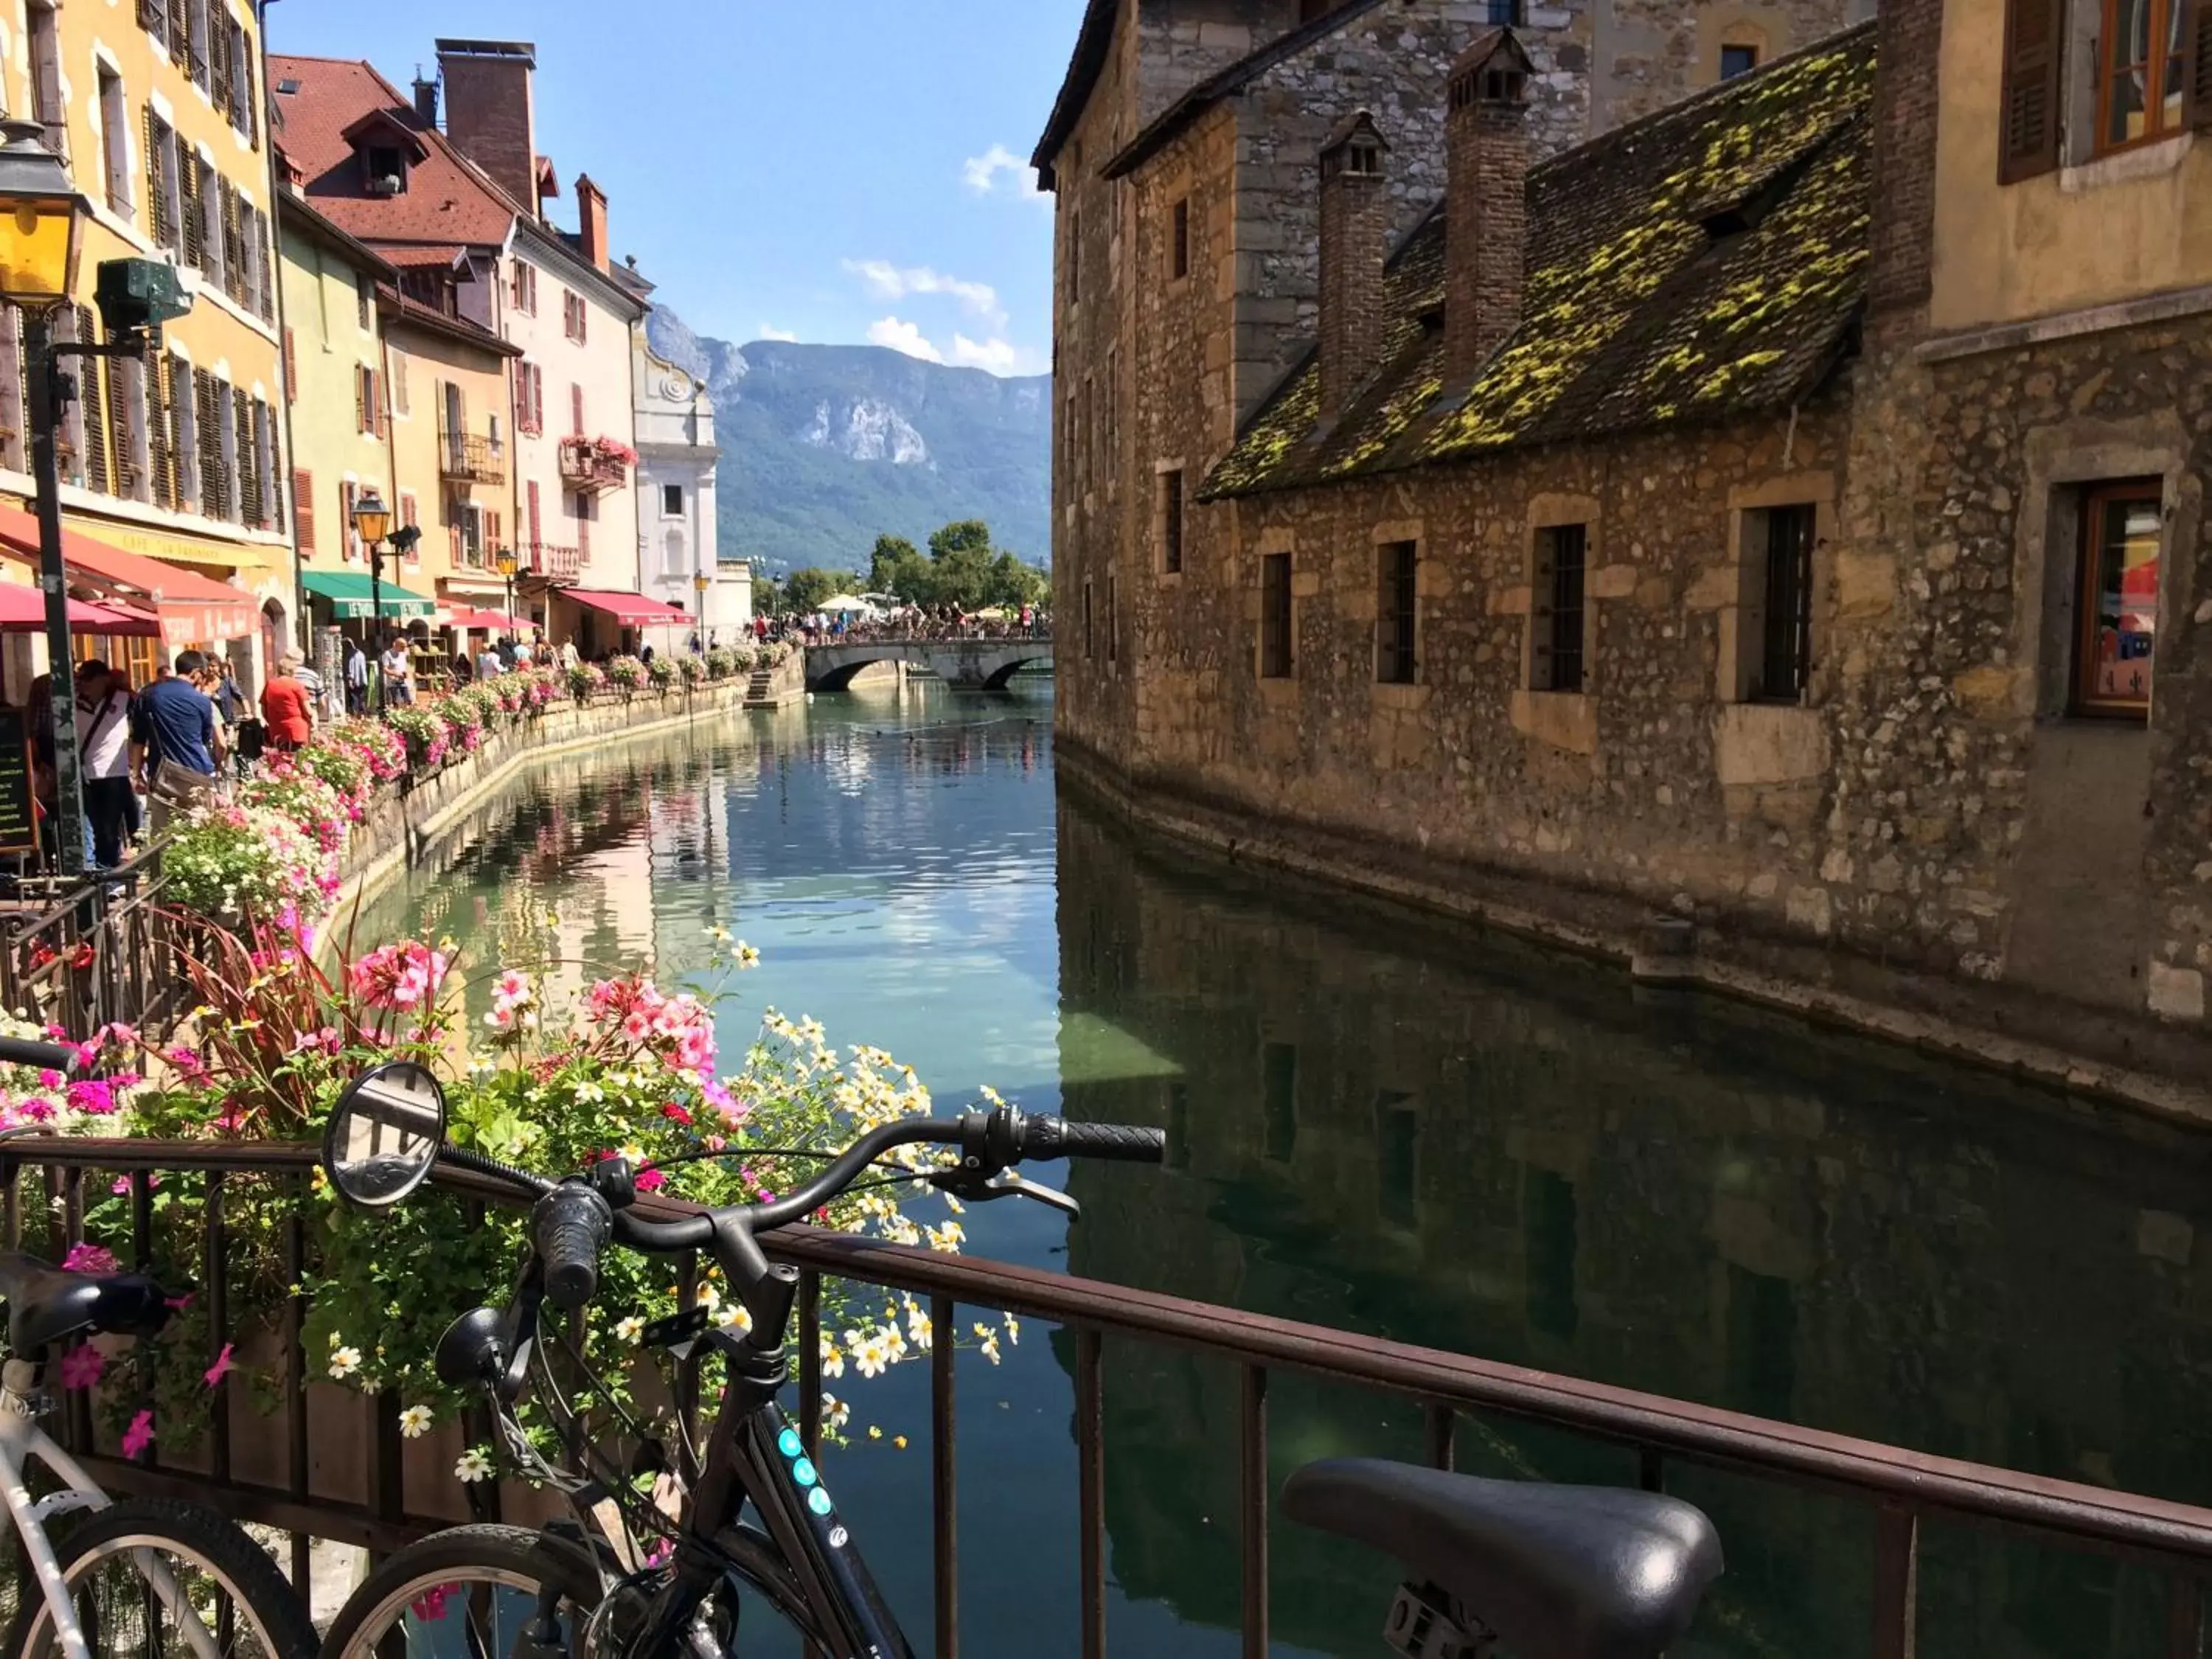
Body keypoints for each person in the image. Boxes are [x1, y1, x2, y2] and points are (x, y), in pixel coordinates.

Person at [73, 660, 134, 869]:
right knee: (92, 828)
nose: (83, 685)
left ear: (103, 679)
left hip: (114, 773)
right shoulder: (72, 705)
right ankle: (95, 871)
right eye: (80, 680)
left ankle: (109, 874)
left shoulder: (124, 700)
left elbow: (138, 733)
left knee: (109, 829)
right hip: (85, 775)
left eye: (88, 679)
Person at [132, 648, 219, 785]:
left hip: (161, 776)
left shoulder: (147, 695)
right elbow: (204, 738)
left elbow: (139, 739)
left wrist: (136, 776)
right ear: (196, 674)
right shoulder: (202, 702)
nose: (204, 682)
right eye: (204, 676)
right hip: (196, 774)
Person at [260, 655, 316, 753]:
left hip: (277, 731)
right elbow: (308, 712)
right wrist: (314, 721)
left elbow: (264, 710)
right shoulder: (297, 685)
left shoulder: (270, 685)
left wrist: (272, 721)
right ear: (292, 671)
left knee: (282, 761)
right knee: (298, 761)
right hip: (297, 731)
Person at [380, 636, 414, 706]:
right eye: (402, 647)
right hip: (393, 684)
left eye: (405, 647)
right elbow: (385, 670)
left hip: (403, 682)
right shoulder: (387, 654)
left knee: (408, 702)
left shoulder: (402, 654)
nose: (404, 649)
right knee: (398, 703)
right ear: (396, 645)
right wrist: (395, 673)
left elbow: (405, 667)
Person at [344, 639, 369, 715]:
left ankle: (355, 716)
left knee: (354, 699)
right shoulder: (361, 653)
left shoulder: (350, 654)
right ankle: (364, 715)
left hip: (355, 681)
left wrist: (350, 680)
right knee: (361, 699)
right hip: (362, 680)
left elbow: (351, 668)